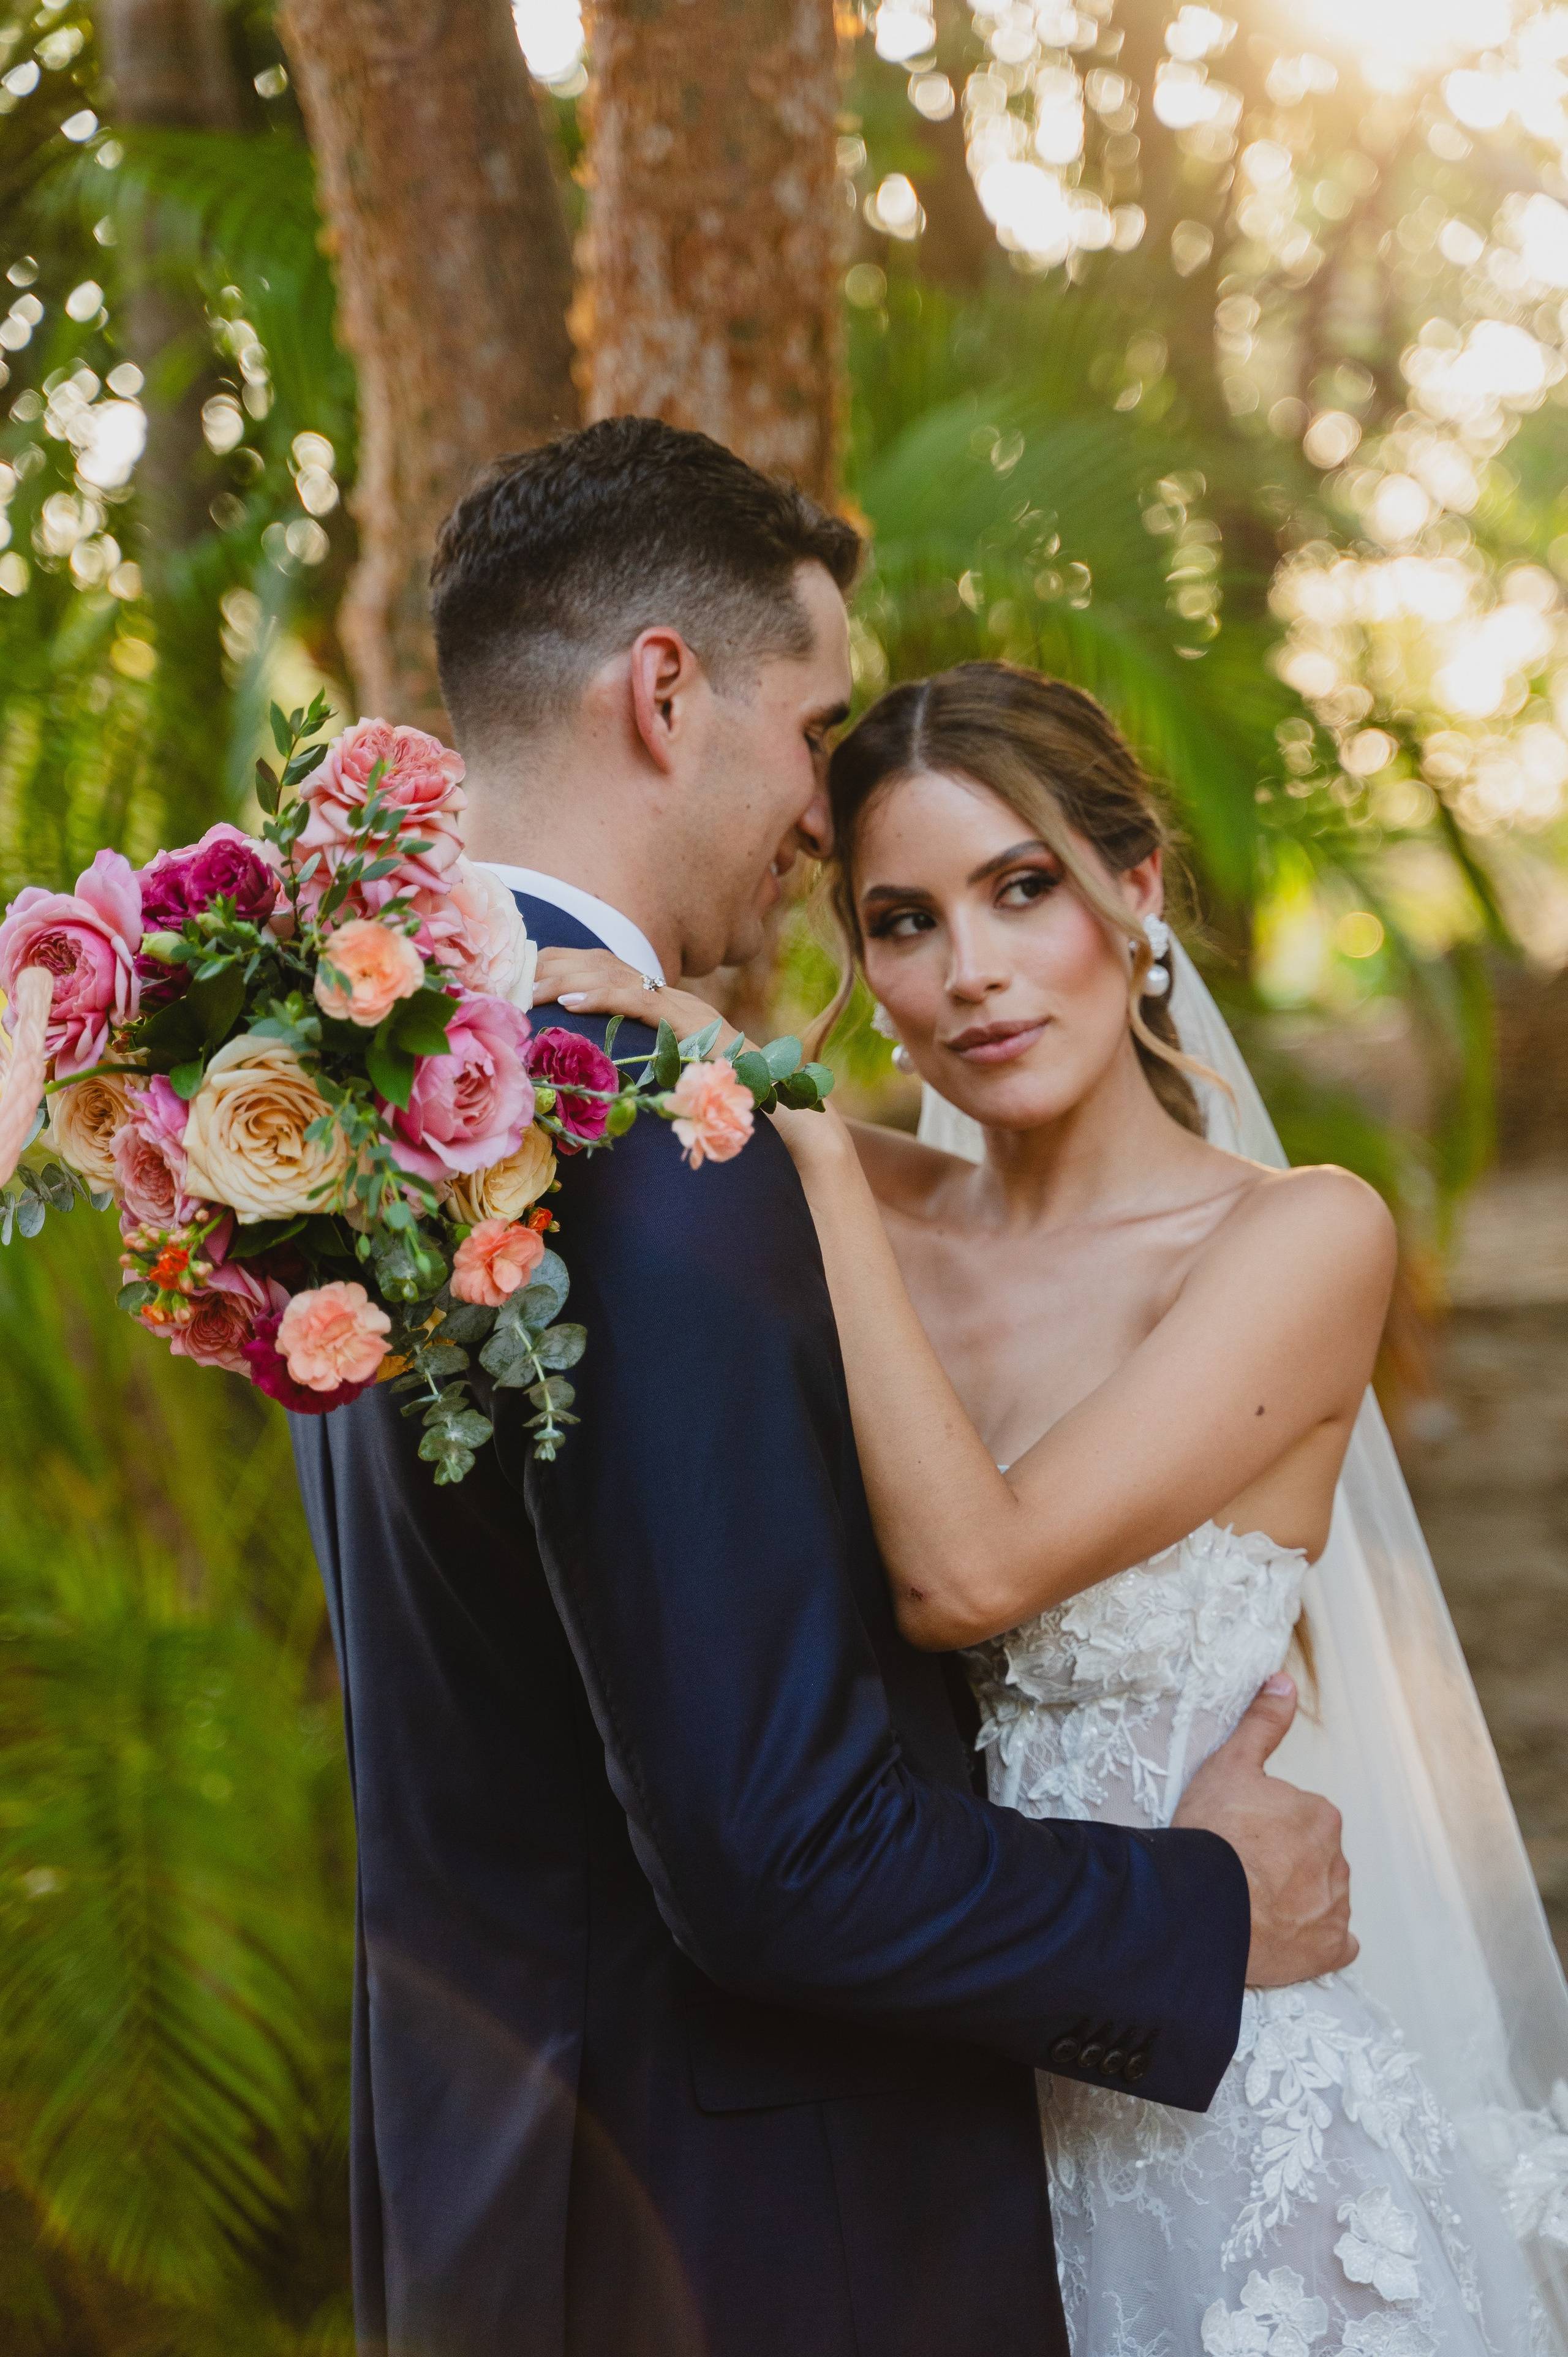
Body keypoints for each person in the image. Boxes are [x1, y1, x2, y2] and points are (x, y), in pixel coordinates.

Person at [287, 423, 1355, 2357]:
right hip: (749, 2237)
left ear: (1133, 893)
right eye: (813, 733)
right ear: (664, 692)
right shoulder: (659, 1136)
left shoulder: (366, 1094)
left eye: (1022, 889)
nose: (812, 809)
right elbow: (778, 1858)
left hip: (502, 2196)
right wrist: (1203, 1910)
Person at [535, 658, 1568, 2357]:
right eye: (906, 920)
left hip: (1228, 2126)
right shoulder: (854, 1204)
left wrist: (811, 1151)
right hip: (938, 2123)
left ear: (1137, 889)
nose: (973, 971)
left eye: (1023, 888)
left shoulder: (1299, 1236)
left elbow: (971, 1575)